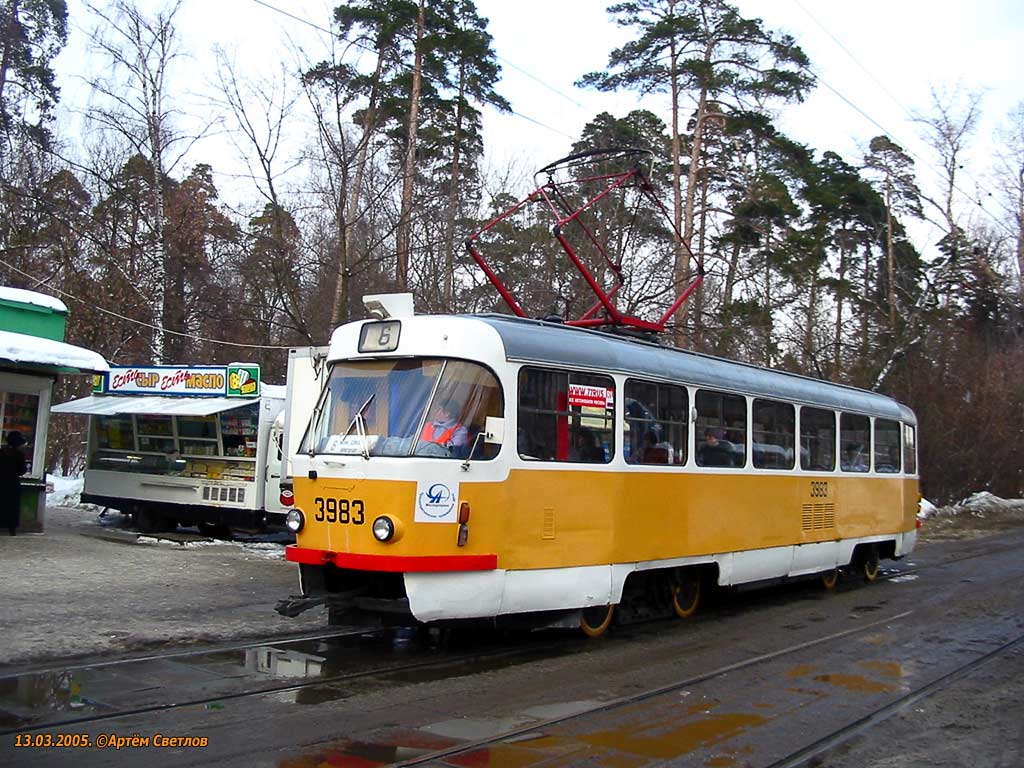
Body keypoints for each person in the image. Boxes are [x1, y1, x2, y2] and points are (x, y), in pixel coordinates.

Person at [0, 431, 28, 535]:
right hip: (13, 484)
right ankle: (11, 528)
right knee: (12, 507)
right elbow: (22, 470)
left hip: (1, 483)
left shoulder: (1, 452)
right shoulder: (19, 455)